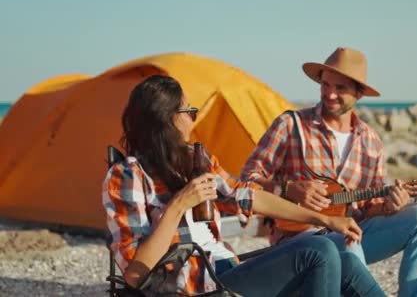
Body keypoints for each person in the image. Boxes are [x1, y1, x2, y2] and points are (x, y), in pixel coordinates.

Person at [102, 75, 385, 296]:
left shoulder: (194, 159)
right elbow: (135, 275)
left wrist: (322, 218)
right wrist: (178, 206)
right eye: (188, 110)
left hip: (227, 270)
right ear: (166, 120)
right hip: (197, 286)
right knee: (319, 251)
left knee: (342, 260)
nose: (193, 117)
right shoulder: (128, 175)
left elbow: (248, 197)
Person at [241, 47, 417, 297]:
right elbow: (245, 182)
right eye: (325, 85)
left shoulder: (370, 141)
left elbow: (370, 207)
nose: (330, 94)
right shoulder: (290, 125)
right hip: (301, 240)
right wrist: (288, 188)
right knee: (350, 243)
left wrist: (391, 205)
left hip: (351, 231)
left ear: (359, 93)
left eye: (340, 88)